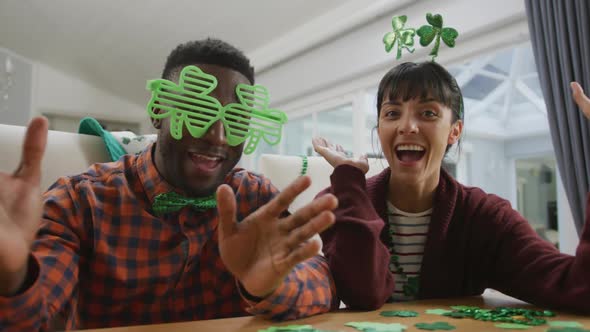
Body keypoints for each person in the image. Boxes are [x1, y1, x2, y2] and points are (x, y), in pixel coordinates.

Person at [0, 38, 339, 331]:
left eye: (235, 120)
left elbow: (322, 284)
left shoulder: (256, 198)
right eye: (197, 111)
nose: (217, 136)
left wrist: (269, 286)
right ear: (158, 109)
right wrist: (13, 274)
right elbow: (36, 317)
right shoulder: (80, 202)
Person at [313, 61, 590, 313]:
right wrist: (349, 181)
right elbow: (364, 294)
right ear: (380, 127)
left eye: (428, 113)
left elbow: (576, 288)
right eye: (392, 113)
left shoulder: (485, 217)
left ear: (454, 131)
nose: (407, 126)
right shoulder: (340, 202)